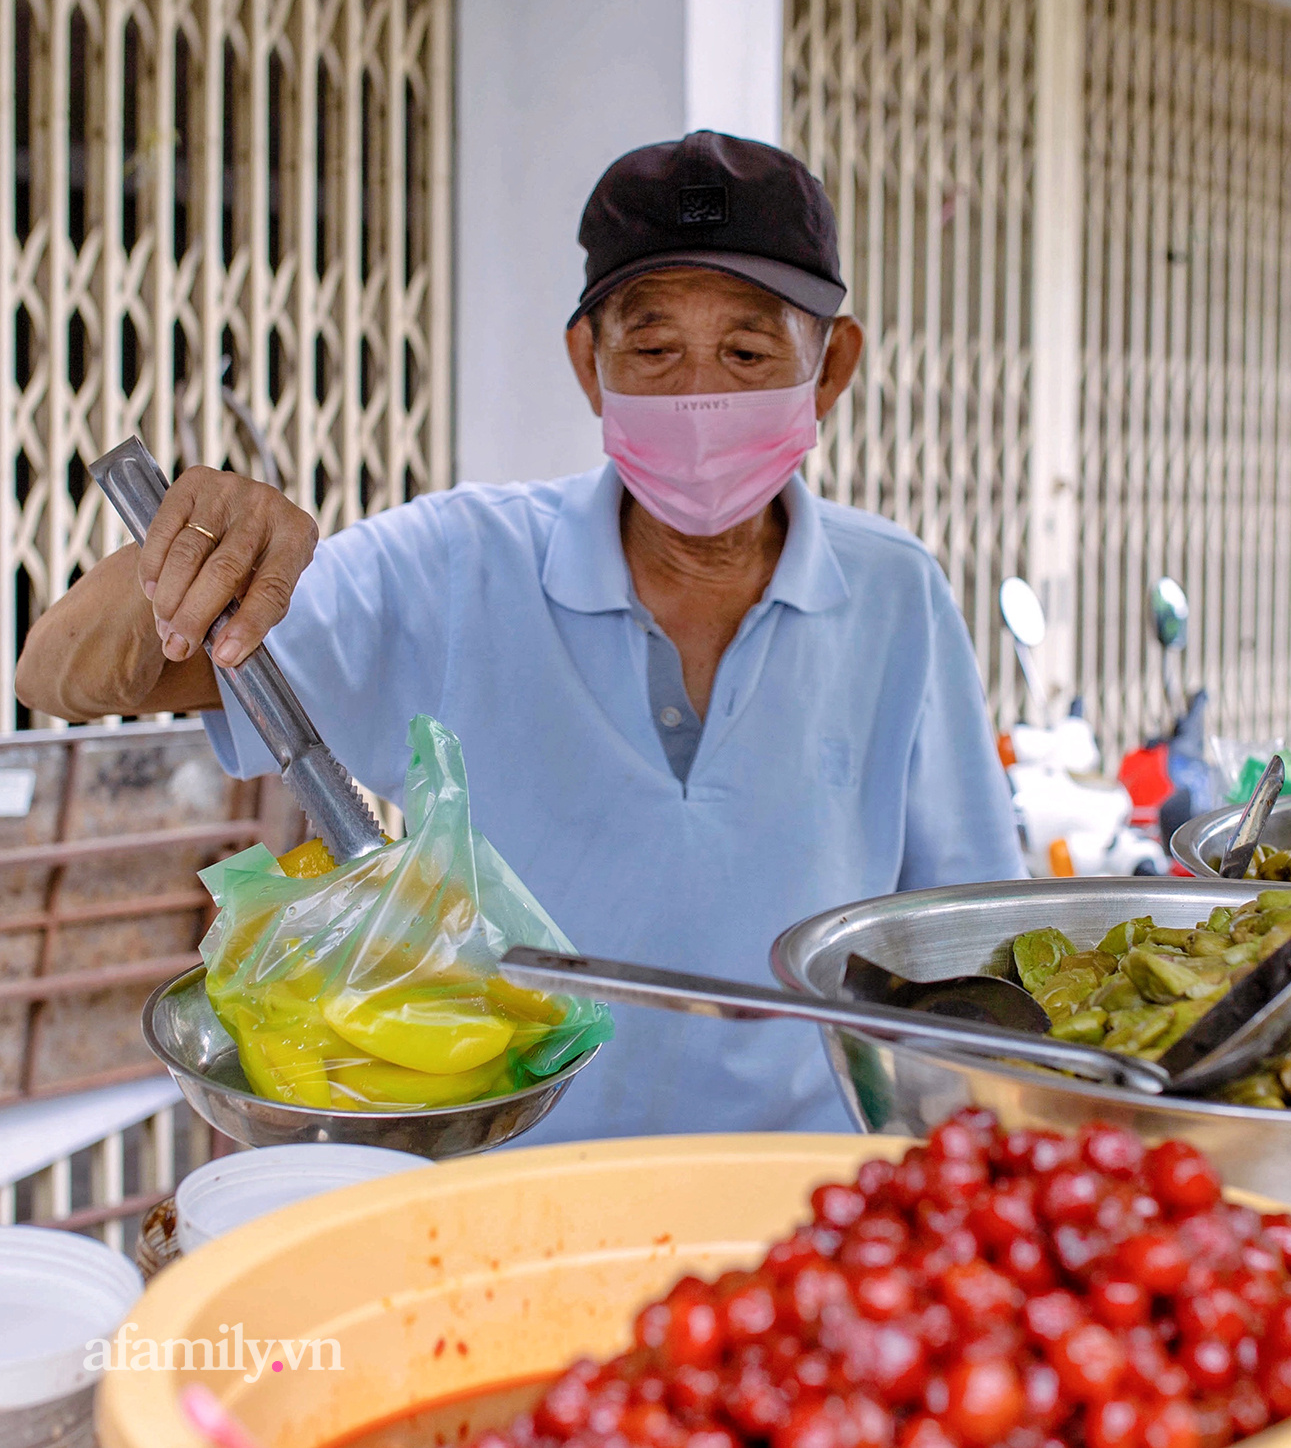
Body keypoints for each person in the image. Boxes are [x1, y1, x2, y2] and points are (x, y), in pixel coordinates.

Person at [18, 131, 1026, 1139]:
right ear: (590, 364)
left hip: (795, 1210)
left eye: (748, 352)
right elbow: (57, 672)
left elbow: (970, 947)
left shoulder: (896, 592)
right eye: (654, 348)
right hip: (502, 1200)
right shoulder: (453, 567)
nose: (698, 397)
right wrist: (190, 550)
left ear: (831, 363)